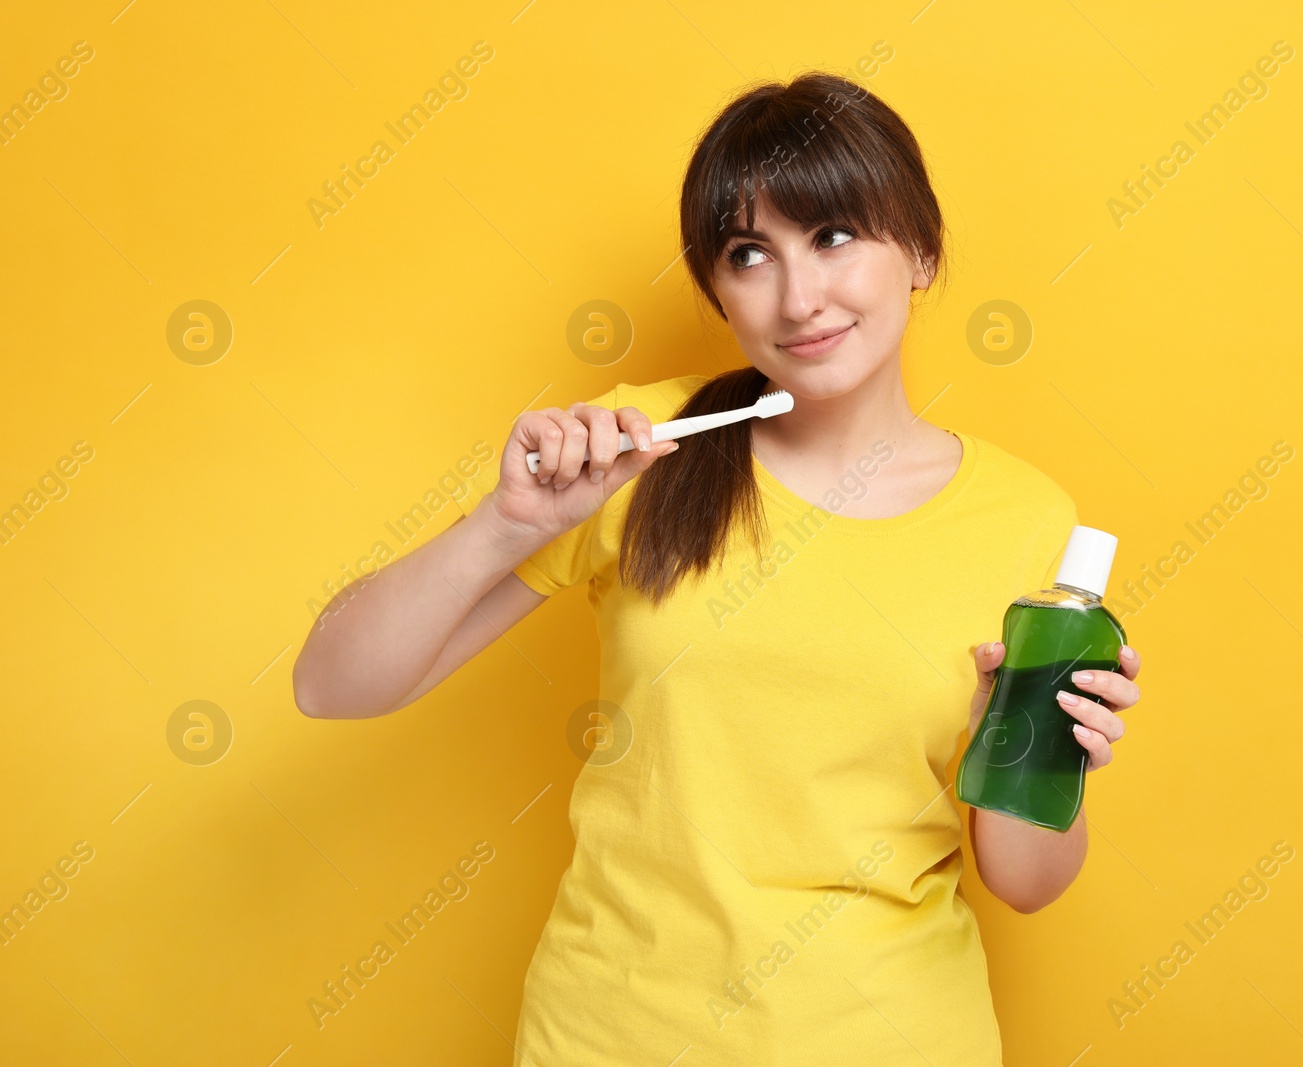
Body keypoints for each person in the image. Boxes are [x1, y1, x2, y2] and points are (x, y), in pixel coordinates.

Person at [293, 70, 1143, 1066]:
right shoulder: (639, 447)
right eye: (750, 254)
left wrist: (1047, 759)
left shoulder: (1026, 519)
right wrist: (503, 524)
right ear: (718, 292)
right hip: (610, 1036)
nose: (798, 296)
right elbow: (330, 685)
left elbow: (1027, 879)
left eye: (832, 237)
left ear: (917, 249)